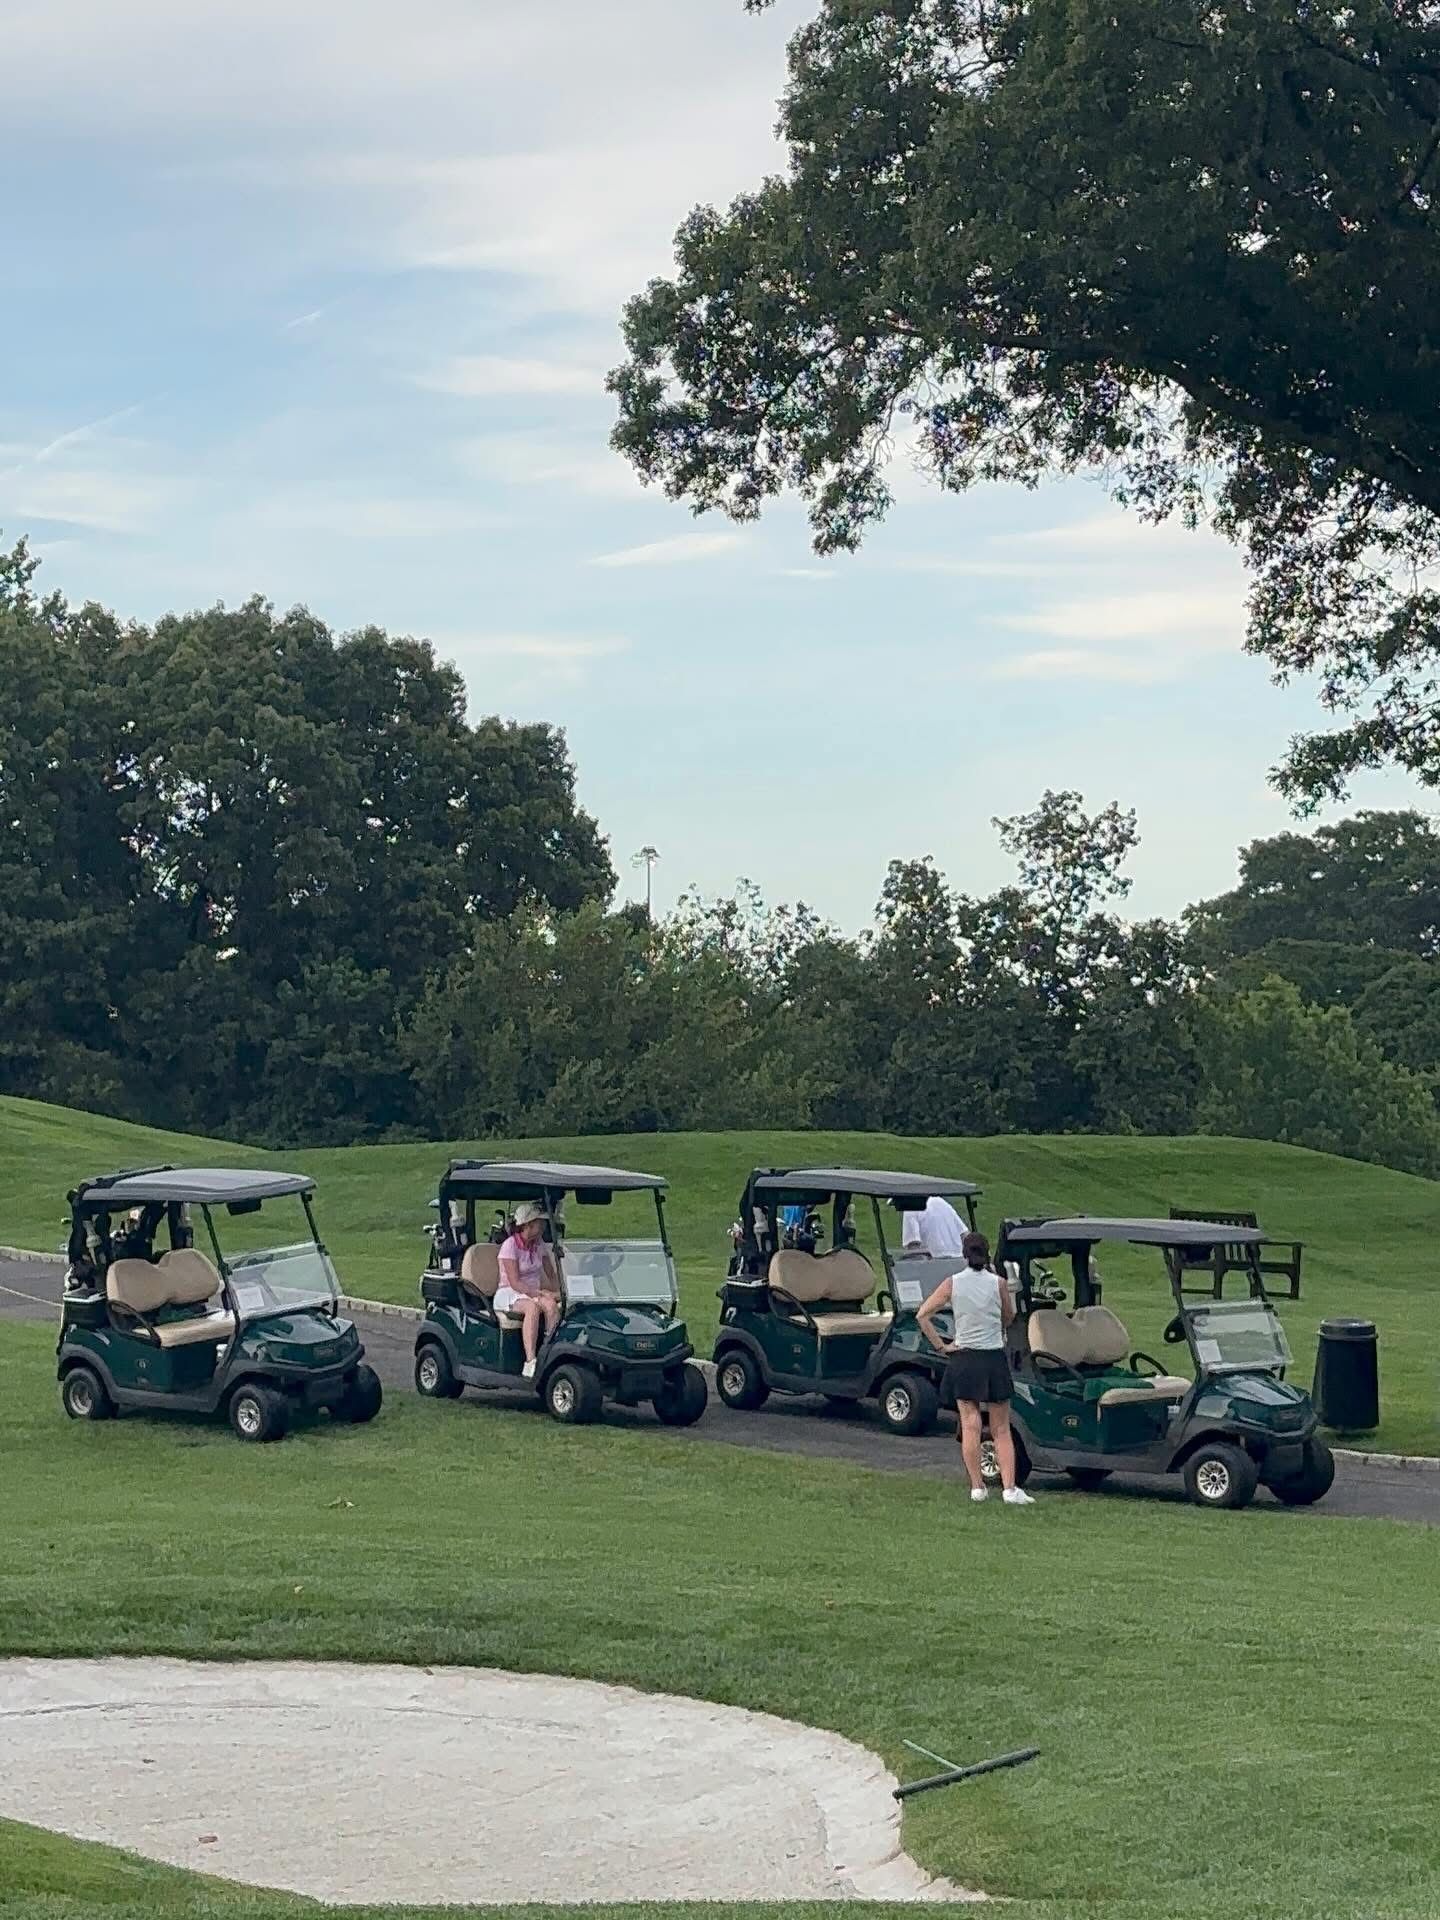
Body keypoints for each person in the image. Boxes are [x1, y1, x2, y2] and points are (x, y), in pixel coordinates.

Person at [917, 1230, 1035, 1507]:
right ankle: (1009, 1488)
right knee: (1001, 1428)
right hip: (992, 1358)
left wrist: (941, 1346)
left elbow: (923, 1315)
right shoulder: (999, 1284)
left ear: (964, 1254)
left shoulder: (952, 1283)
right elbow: (1009, 1316)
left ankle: (977, 1487)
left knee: (970, 1425)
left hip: (964, 1358)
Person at [495, 1202, 562, 1379]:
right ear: (528, 1224)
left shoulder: (539, 1244)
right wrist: (539, 1294)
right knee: (532, 1308)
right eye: (540, 1222)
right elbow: (515, 1282)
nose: (543, 1226)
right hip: (510, 1293)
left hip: (533, 1292)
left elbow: (551, 1273)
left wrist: (558, 1292)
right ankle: (530, 1361)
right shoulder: (510, 1245)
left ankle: (548, 1352)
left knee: (551, 1306)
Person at [900, 1193, 971, 1258]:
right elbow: (966, 1235)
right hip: (960, 1263)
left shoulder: (910, 1209)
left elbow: (914, 1249)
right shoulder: (941, 1201)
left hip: (935, 1266)